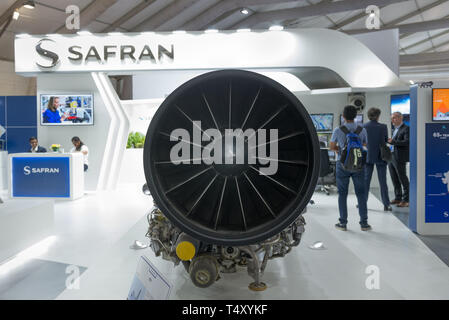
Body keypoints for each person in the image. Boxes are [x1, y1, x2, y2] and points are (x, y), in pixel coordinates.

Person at [330, 105, 371, 231]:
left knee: (342, 194)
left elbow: (332, 146)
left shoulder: (338, 130)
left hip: (342, 165)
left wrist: (342, 151)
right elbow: (365, 145)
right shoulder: (362, 129)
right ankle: (364, 223)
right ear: (355, 116)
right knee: (361, 193)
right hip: (359, 165)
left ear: (343, 116)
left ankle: (343, 223)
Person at [363, 108, 392, 211]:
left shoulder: (363, 126)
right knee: (383, 182)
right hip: (381, 156)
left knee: (366, 181)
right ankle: (386, 204)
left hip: (368, 156)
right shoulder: (383, 127)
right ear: (378, 116)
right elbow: (385, 140)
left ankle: (363, 203)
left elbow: (362, 141)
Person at [388, 112, 410, 208]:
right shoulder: (395, 129)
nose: (392, 120)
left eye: (394, 118)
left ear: (400, 118)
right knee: (394, 178)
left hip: (400, 157)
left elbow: (407, 142)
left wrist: (393, 142)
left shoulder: (406, 128)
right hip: (392, 156)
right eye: (392, 118)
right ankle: (398, 197)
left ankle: (406, 200)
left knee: (402, 178)